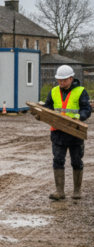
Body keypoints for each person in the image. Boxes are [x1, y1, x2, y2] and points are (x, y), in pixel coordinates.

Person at [41, 65, 90, 200]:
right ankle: (60, 191)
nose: (61, 82)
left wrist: (78, 117)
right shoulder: (53, 91)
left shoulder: (81, 91)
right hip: (57, 132)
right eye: (59, 80)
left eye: (64, 80)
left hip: (75, 132)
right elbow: (49, 108)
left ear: (71, 79)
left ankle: (77, 191)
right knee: (58, 161)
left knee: (76, 161)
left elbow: (86, 109)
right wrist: (40, 110)